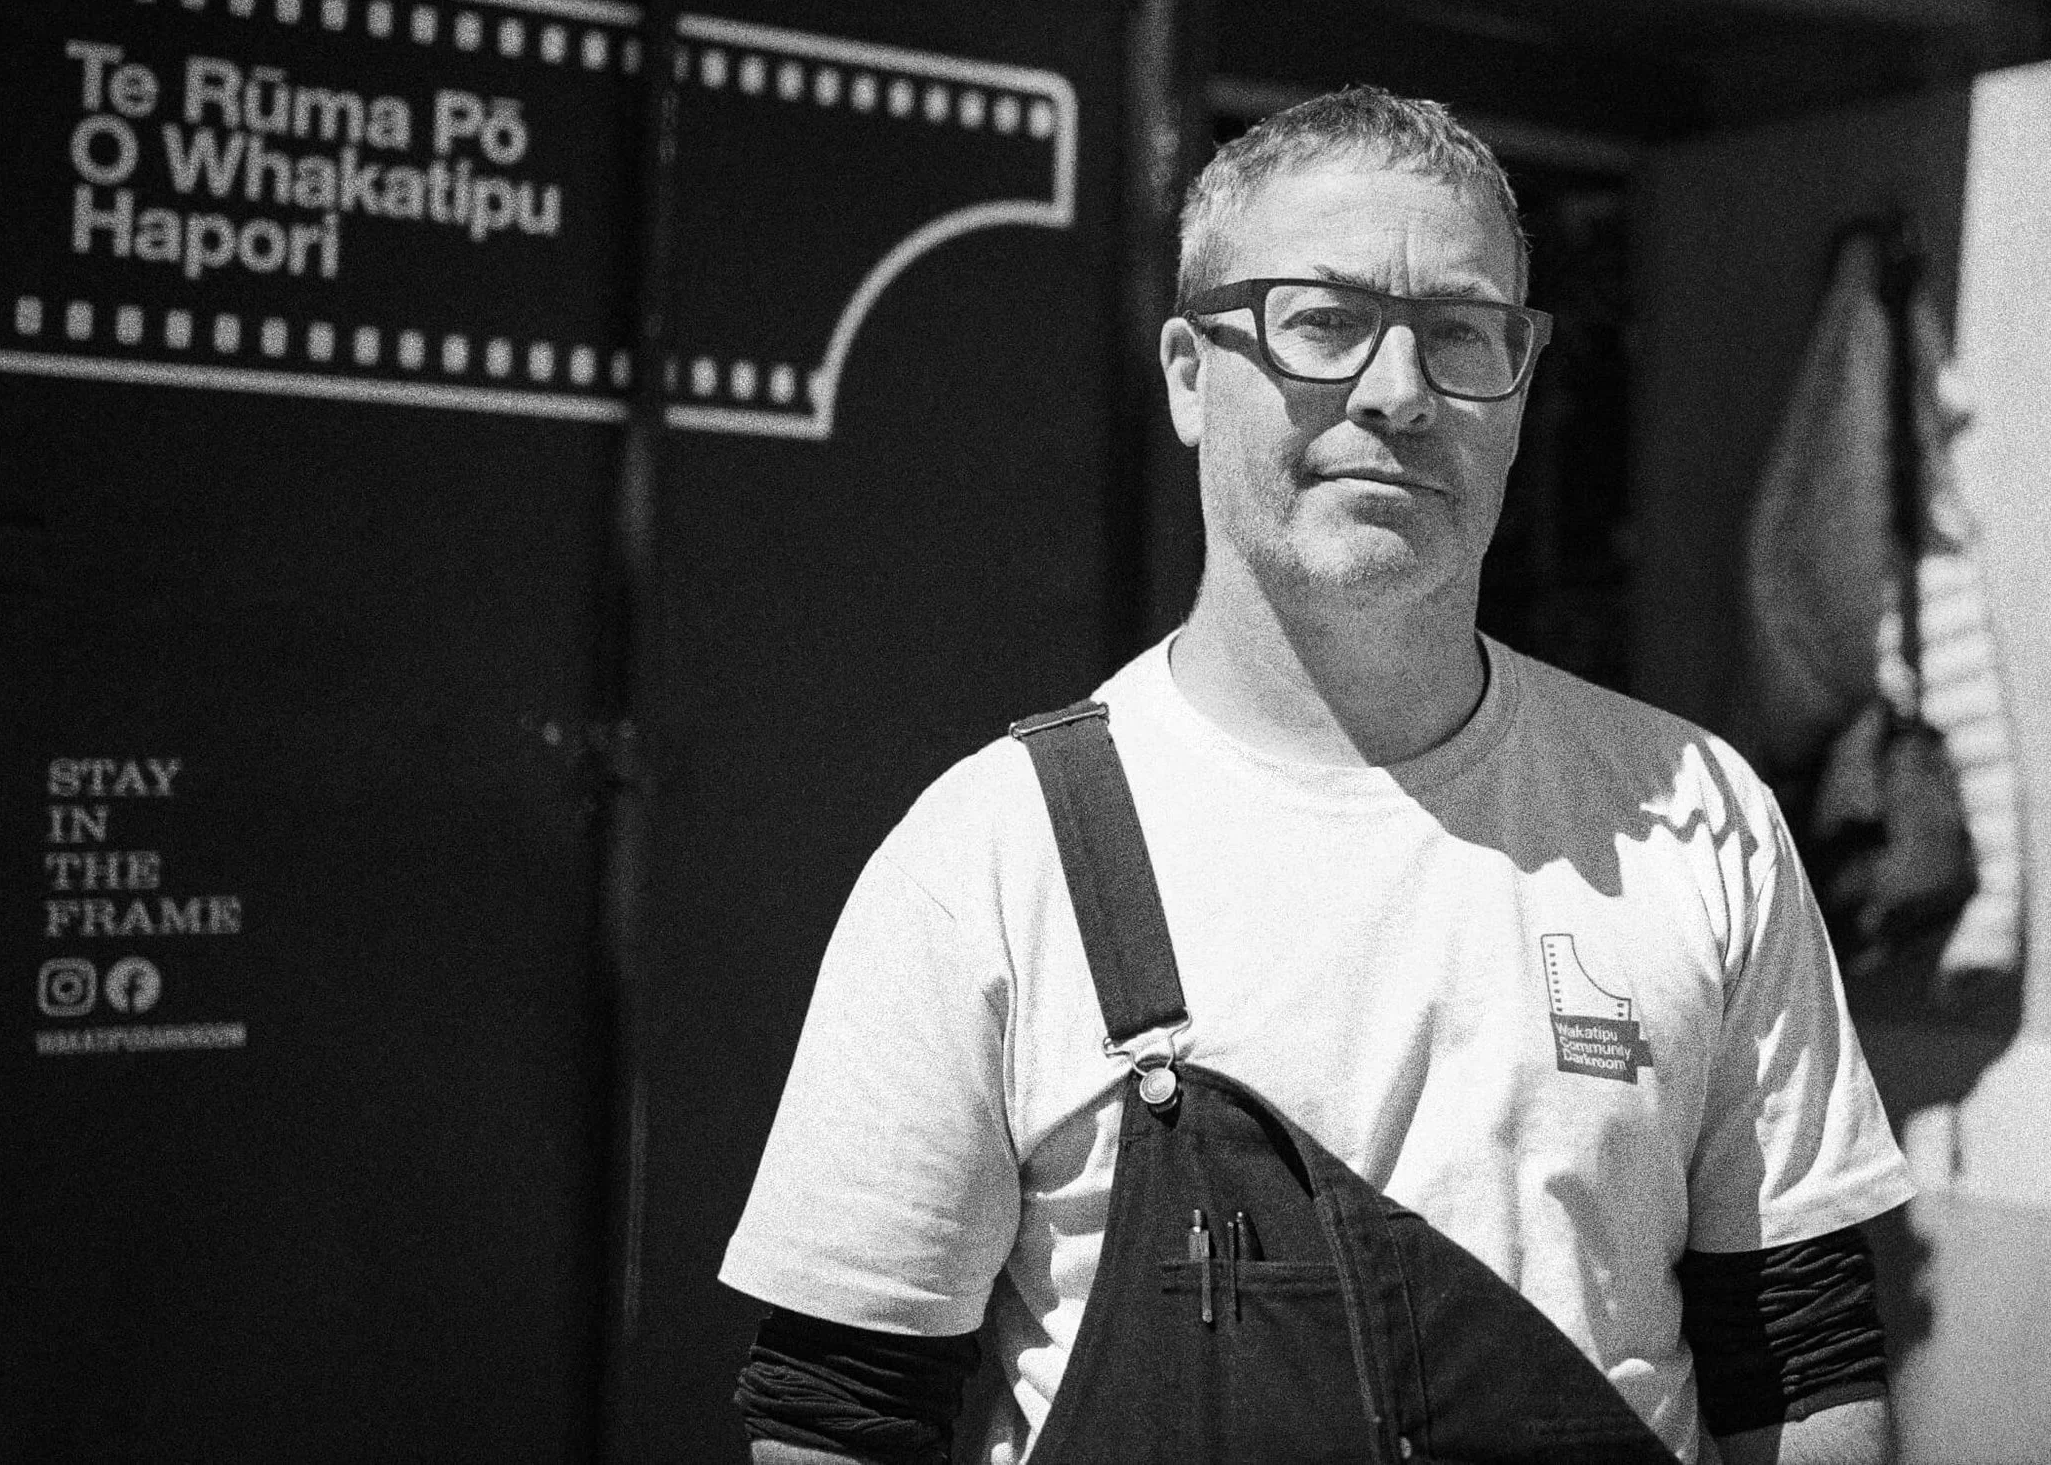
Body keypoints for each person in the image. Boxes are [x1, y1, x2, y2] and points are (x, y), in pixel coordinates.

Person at [721, 87, 1915, 1465]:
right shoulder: (994, 858)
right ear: (1187, 371)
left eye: (1461, 332)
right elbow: (839, 1420)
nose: (1398, 393)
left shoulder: (1699, 821)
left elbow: (1805, 1366)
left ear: (1519, 396)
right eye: (1323, 321)